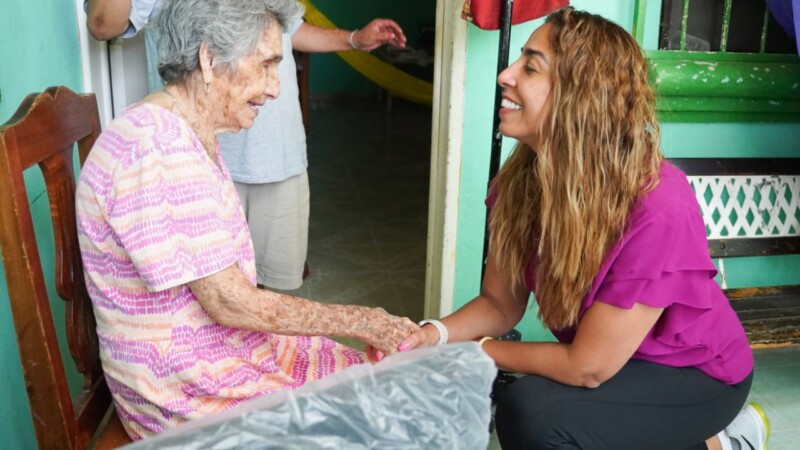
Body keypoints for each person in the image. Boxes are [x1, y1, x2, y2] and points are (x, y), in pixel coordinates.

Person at [381, 7, 770, 450]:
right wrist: (432, 335)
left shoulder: (660, 205)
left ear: (580, 96)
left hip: (693, 373)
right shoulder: (520, 182)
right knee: (534, 407)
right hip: (612, 362)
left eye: (530, 67)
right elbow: (499, 302)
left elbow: (588, 367)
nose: (505, 76)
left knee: (534, 415)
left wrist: (474, 352)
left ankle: (725, 438)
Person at [76, 0, 418, 440]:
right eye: (267, 65)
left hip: (215, 352)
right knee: (381, 415)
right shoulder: (159, 150)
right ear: (209, 58)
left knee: (378, 381)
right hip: (184, 396)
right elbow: (230, 301)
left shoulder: (187, 127)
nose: (275, 89)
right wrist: (367, 322)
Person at [86, 0, 408, 290]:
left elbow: (288, 28)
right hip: (202, 163)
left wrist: (354, 39)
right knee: (208, 291)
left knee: (268, 289)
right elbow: (104, 25)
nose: (274, 85)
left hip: (277, 155)